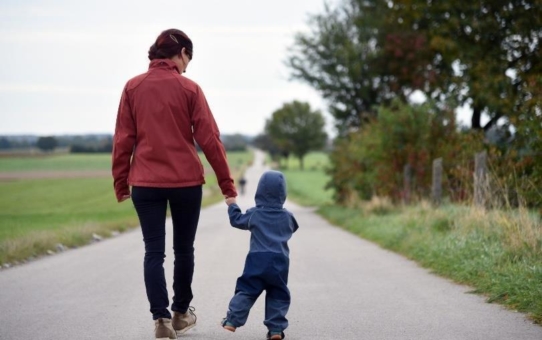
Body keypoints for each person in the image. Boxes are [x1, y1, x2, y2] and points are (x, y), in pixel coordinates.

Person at [111, 28, 237, 340]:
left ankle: (161, 320)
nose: (187, 67)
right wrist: (227, 187)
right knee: (184, 249)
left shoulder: (132, 87)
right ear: (180, 53)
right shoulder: (190, 89)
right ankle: (181, 313)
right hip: (185, 183)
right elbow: (210, 140)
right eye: (187, 59)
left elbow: (123, 139)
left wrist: (120, 182)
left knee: (153, 251)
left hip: (145, 183)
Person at [222, 170, 299, 340]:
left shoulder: (255, 214)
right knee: (278, 293)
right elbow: (293, 227)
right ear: (283, 193)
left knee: (247, 290)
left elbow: (237, 221)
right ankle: (276, 330)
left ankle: (232, 320)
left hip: (257, 259)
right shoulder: (288, 217)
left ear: (260, 191)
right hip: (280, 261)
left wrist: (232, 204)